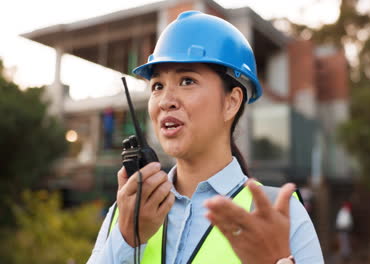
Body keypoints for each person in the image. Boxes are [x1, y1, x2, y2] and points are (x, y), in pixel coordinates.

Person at [87, 10, 323, 264]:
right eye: (157, 86)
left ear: (231, 102)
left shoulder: (283, 216)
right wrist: (127, 239)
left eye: (187, 81)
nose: (166, 101)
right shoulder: (127, 209)